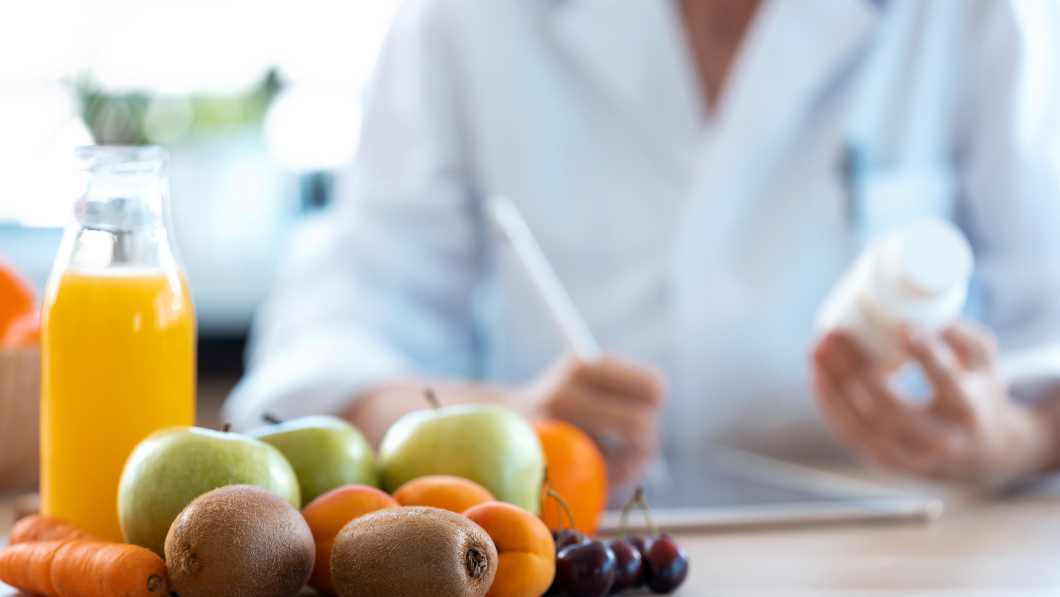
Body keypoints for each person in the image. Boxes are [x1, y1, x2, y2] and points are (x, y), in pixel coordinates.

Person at [225, 0, 1060, 487]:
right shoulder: (464, 23)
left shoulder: (970, 19)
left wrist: (1012, 441)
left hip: (904, 558)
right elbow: (325, 358)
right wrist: (503, 421)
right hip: (579, 546)